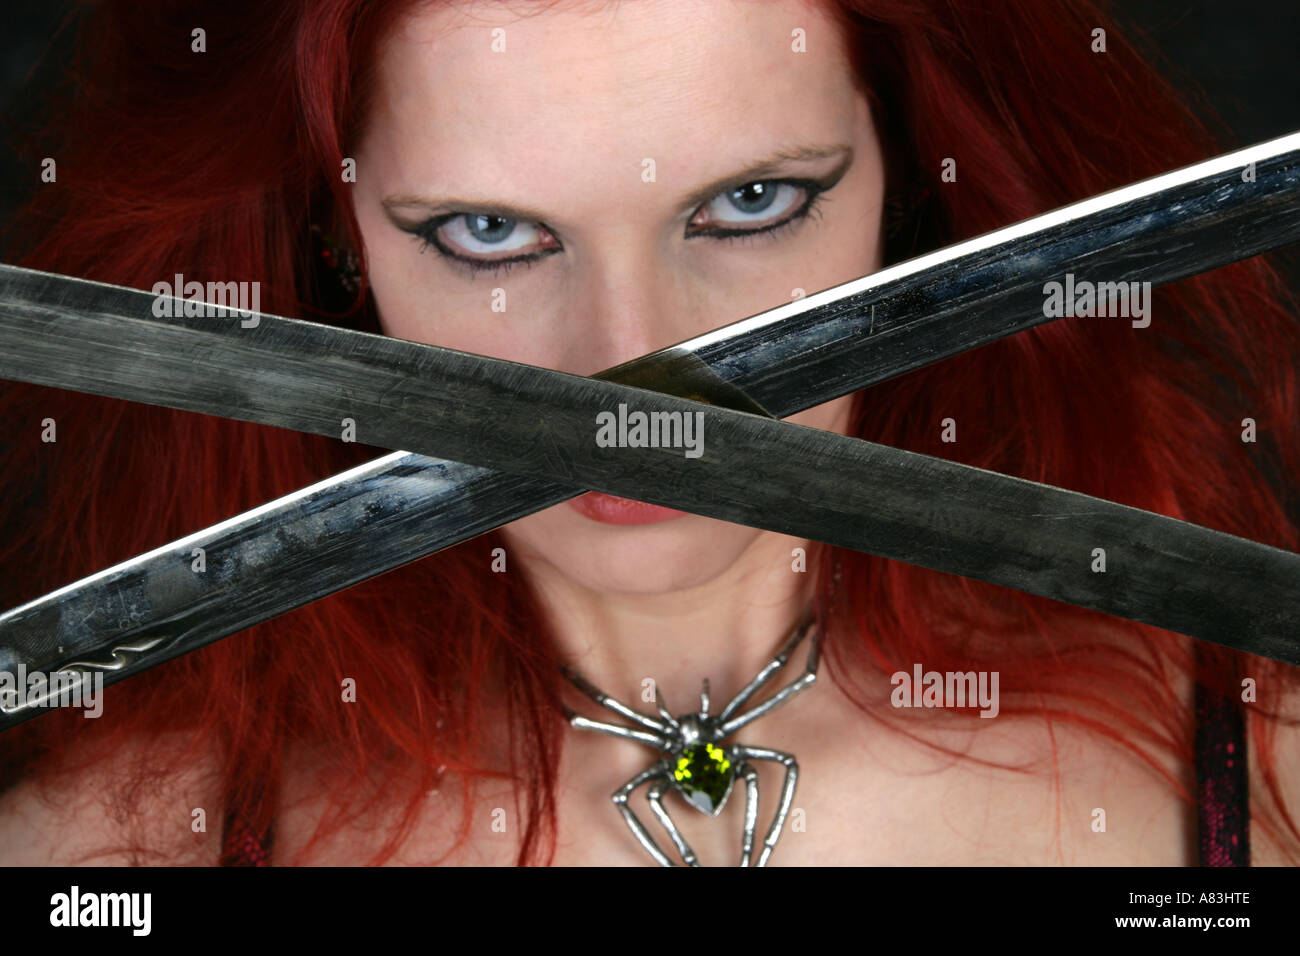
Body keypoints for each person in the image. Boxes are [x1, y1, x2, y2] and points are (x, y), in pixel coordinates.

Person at [0, 0, 1295, 866]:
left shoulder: (1255, 760)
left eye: (751, 202)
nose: (636, 382)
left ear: (908, 183)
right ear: (336, 247)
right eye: (489, 233)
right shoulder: (124, 847)